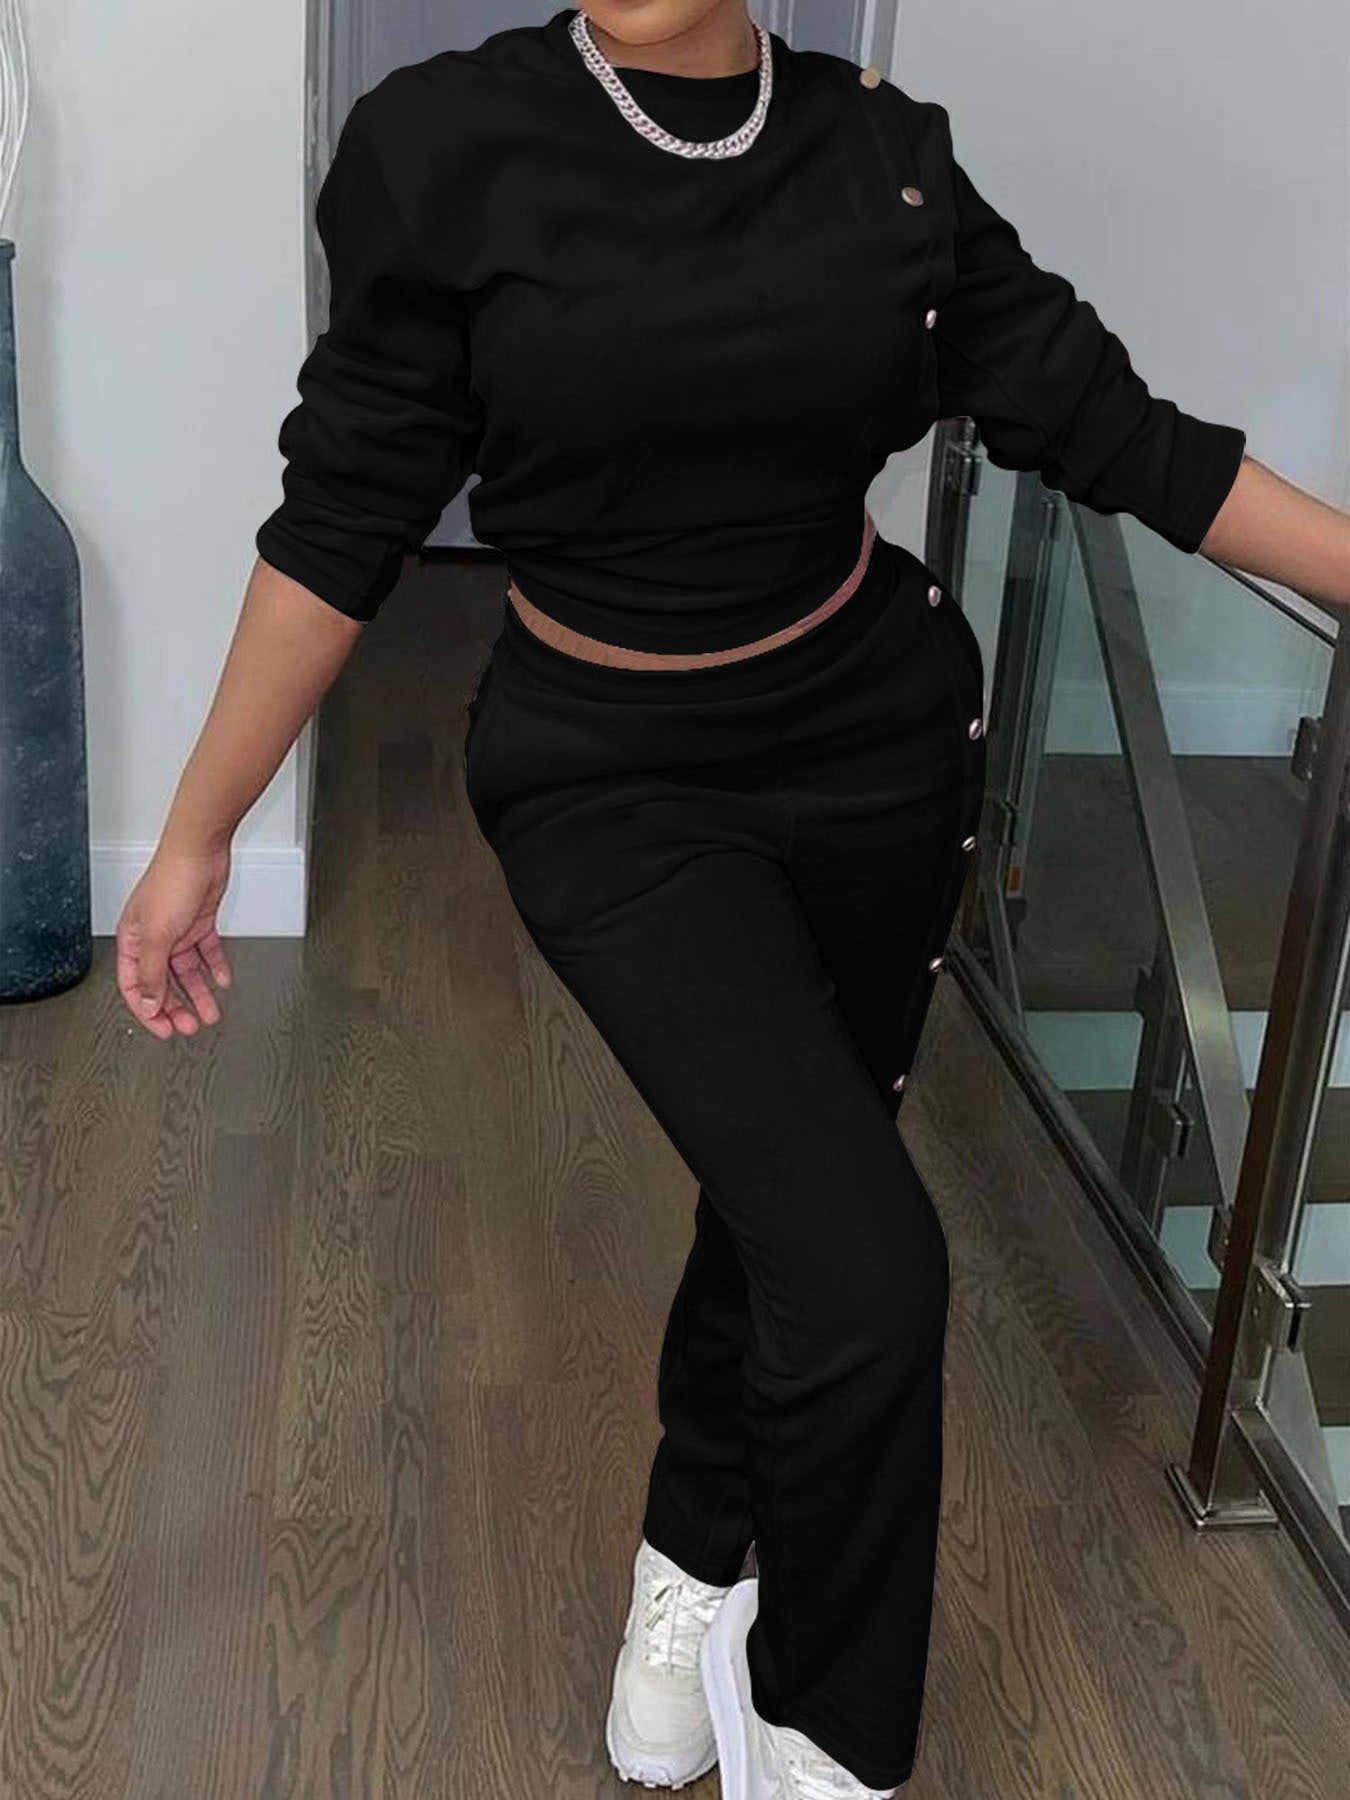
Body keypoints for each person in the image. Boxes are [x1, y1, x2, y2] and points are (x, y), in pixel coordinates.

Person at [114, 4, 1350, 1794]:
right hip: (607, 785)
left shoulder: (883, 153)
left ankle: (696, 1546)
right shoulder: (443, 144)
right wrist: (197, 833)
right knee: (867, 1260)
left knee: (794, 1195)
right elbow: (341, 516)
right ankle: (830, 1754)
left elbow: (1121, 435)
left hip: (874, 749)